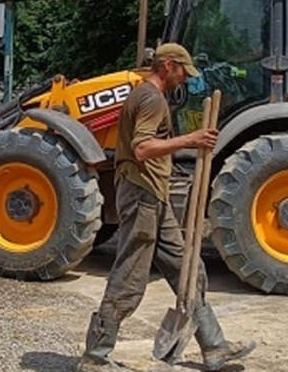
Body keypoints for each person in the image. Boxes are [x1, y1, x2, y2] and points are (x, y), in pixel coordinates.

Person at [77, 44, 255, 371]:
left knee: (188, 268)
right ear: (168, 65)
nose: (184, 79)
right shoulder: (150, 99)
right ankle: (95, 357)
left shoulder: (147, 96)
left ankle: (215, 347)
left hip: (153, 194)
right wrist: (192, 140)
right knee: (130, 274)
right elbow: (142, 148)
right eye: (182, 72)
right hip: (142, 193)